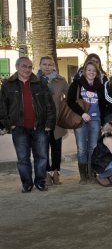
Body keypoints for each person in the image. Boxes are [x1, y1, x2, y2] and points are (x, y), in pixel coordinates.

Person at [0, 57, 56, 193]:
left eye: (30, 67)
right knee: (23, 158)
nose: (27, 69)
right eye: (24, 66)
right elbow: (2, 108)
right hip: (19, 128)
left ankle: (40, 182)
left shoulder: (40, 83)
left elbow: (50, 105)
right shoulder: (8, 85)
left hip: (40, 127)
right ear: (17, 67)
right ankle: (27, 184)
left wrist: (49, 123)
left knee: (42, 156)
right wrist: (9, 125)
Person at [68, 61, 106, 184]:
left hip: (95, 119)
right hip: (80, 119)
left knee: (93, 147)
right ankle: (83, 176)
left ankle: (92, 173)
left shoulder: (100, 86)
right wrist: (82, 113)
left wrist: (103, 122)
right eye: (89, 70)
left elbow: (103, 104)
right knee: (82, 149)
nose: (91, 72)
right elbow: (70, 101)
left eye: (94, 71)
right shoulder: (77, 83)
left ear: (97, 73)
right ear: (84, 71)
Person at [37, 56, 69, 186]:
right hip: (40, 121)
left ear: (54, 66)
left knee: (56, 149)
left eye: (50, 64)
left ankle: (56, 173)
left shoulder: (61, 81)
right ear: (40, 65)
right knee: (42, 149)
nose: (47, 67)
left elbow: (69, 97)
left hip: (56, 122)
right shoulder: (35, 81)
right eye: (44, 64)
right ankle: (46, 174)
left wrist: (63, 111)